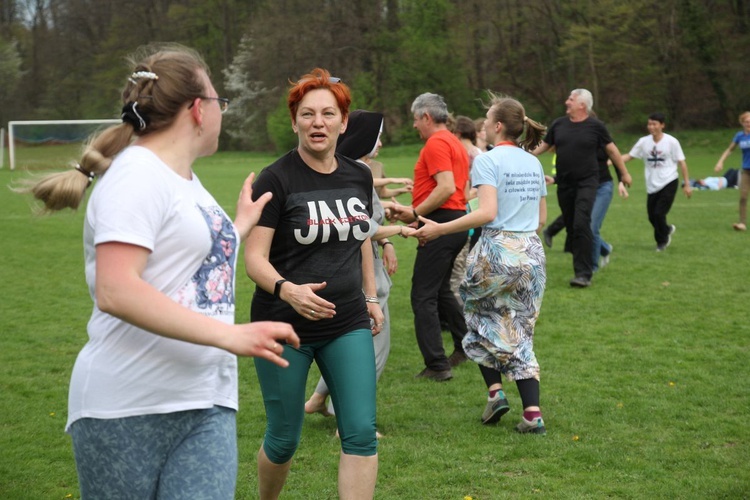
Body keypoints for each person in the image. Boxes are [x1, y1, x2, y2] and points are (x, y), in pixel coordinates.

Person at [14, 44, 299, 499]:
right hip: (128, 403)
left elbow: (189, 268)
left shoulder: (184, 180)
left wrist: (236, 227)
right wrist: (229, 336)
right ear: (197, 110)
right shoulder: (136, 176)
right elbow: (115, 288)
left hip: (205, 400)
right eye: (218, 101)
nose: (221, 112)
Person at [244, 69, 383, 500]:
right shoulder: (276, 178)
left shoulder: (357, 175)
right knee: (284, 438)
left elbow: (357, 235)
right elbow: (253, 259)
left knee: (360, 431)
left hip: (347, 320)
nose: (317, 122)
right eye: (307, 114)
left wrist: (370, 295)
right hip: (283, 324)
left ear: (344, 122)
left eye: (328, 113)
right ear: (295, 122)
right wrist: (288, 289)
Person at [413, 93, 549, 434]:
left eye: (487, 121)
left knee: (477, 322)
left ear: (498, 126)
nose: (484, 126)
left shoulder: (488, 160)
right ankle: (532, 413)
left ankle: (495, 393)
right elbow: (541, 219)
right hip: (531, 252)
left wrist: (439, 228)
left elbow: (486, 213)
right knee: (520, 329)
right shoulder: (533, 162)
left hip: (497, 250)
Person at [304, 110, 410, 432]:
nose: (380, 142)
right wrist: (401, 232)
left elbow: (370, 217)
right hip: (363, 276)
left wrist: (387, 243)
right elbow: (363, 226)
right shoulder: (356, 171)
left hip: (352, 269)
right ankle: (345, 417)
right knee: (373, 349)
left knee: (347, 341)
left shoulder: (344, 167)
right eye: (376, 135)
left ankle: (319, 399)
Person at [388, 92, 470, 381]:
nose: (414, 126)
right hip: (456, 221)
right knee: (442, 290)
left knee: (422, 295)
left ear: (426, 116)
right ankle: (466, 345)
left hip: (442, 222)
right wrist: (414, 210)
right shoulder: (454, 142)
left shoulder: (436, 142)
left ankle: (437, 365)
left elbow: (446, 187)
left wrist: (414, 213)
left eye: (415, 120)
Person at [532, 89, 632, 287]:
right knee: (571, 225)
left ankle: (583, 274)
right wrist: (523, 154)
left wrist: (624, 174)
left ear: (582, 105)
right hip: (565, 184)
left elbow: (612, 150)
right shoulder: (559, 124)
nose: (566, 101)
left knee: (581, 224)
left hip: (588, 182)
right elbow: (544, 146)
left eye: (571, 99)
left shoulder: (596, 127)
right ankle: (585, 264)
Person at [543, 145, 629, 271]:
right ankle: (604, 248)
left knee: (591, 226)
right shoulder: (577, 138)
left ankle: (591, 268)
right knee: (581, 225)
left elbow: (614, 155)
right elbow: (572, 168)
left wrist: (621, 180)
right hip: (582, 188)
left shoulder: (598, 133)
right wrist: (556, 179)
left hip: (601, 187)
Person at [619, 112, 692, 251]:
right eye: (649, 124)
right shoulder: (643, 142)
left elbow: (682, 163)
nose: (651, 127)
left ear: (662, 125)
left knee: (659, 213)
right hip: (652, 184)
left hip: (669, 181)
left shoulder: (672, 142)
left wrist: (687, 184)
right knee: (652, 217)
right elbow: (629, 156)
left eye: (654, 124)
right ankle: (667, 229)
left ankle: (661, 242)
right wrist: (611, 161)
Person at [714, 111, 750, 231]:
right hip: (746, 170)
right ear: (742, 123)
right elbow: (730, 150)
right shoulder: (740, 136)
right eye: (746, 121)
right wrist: (720, 162)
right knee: (743, 196)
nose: (748, 123)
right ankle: (742, 223)